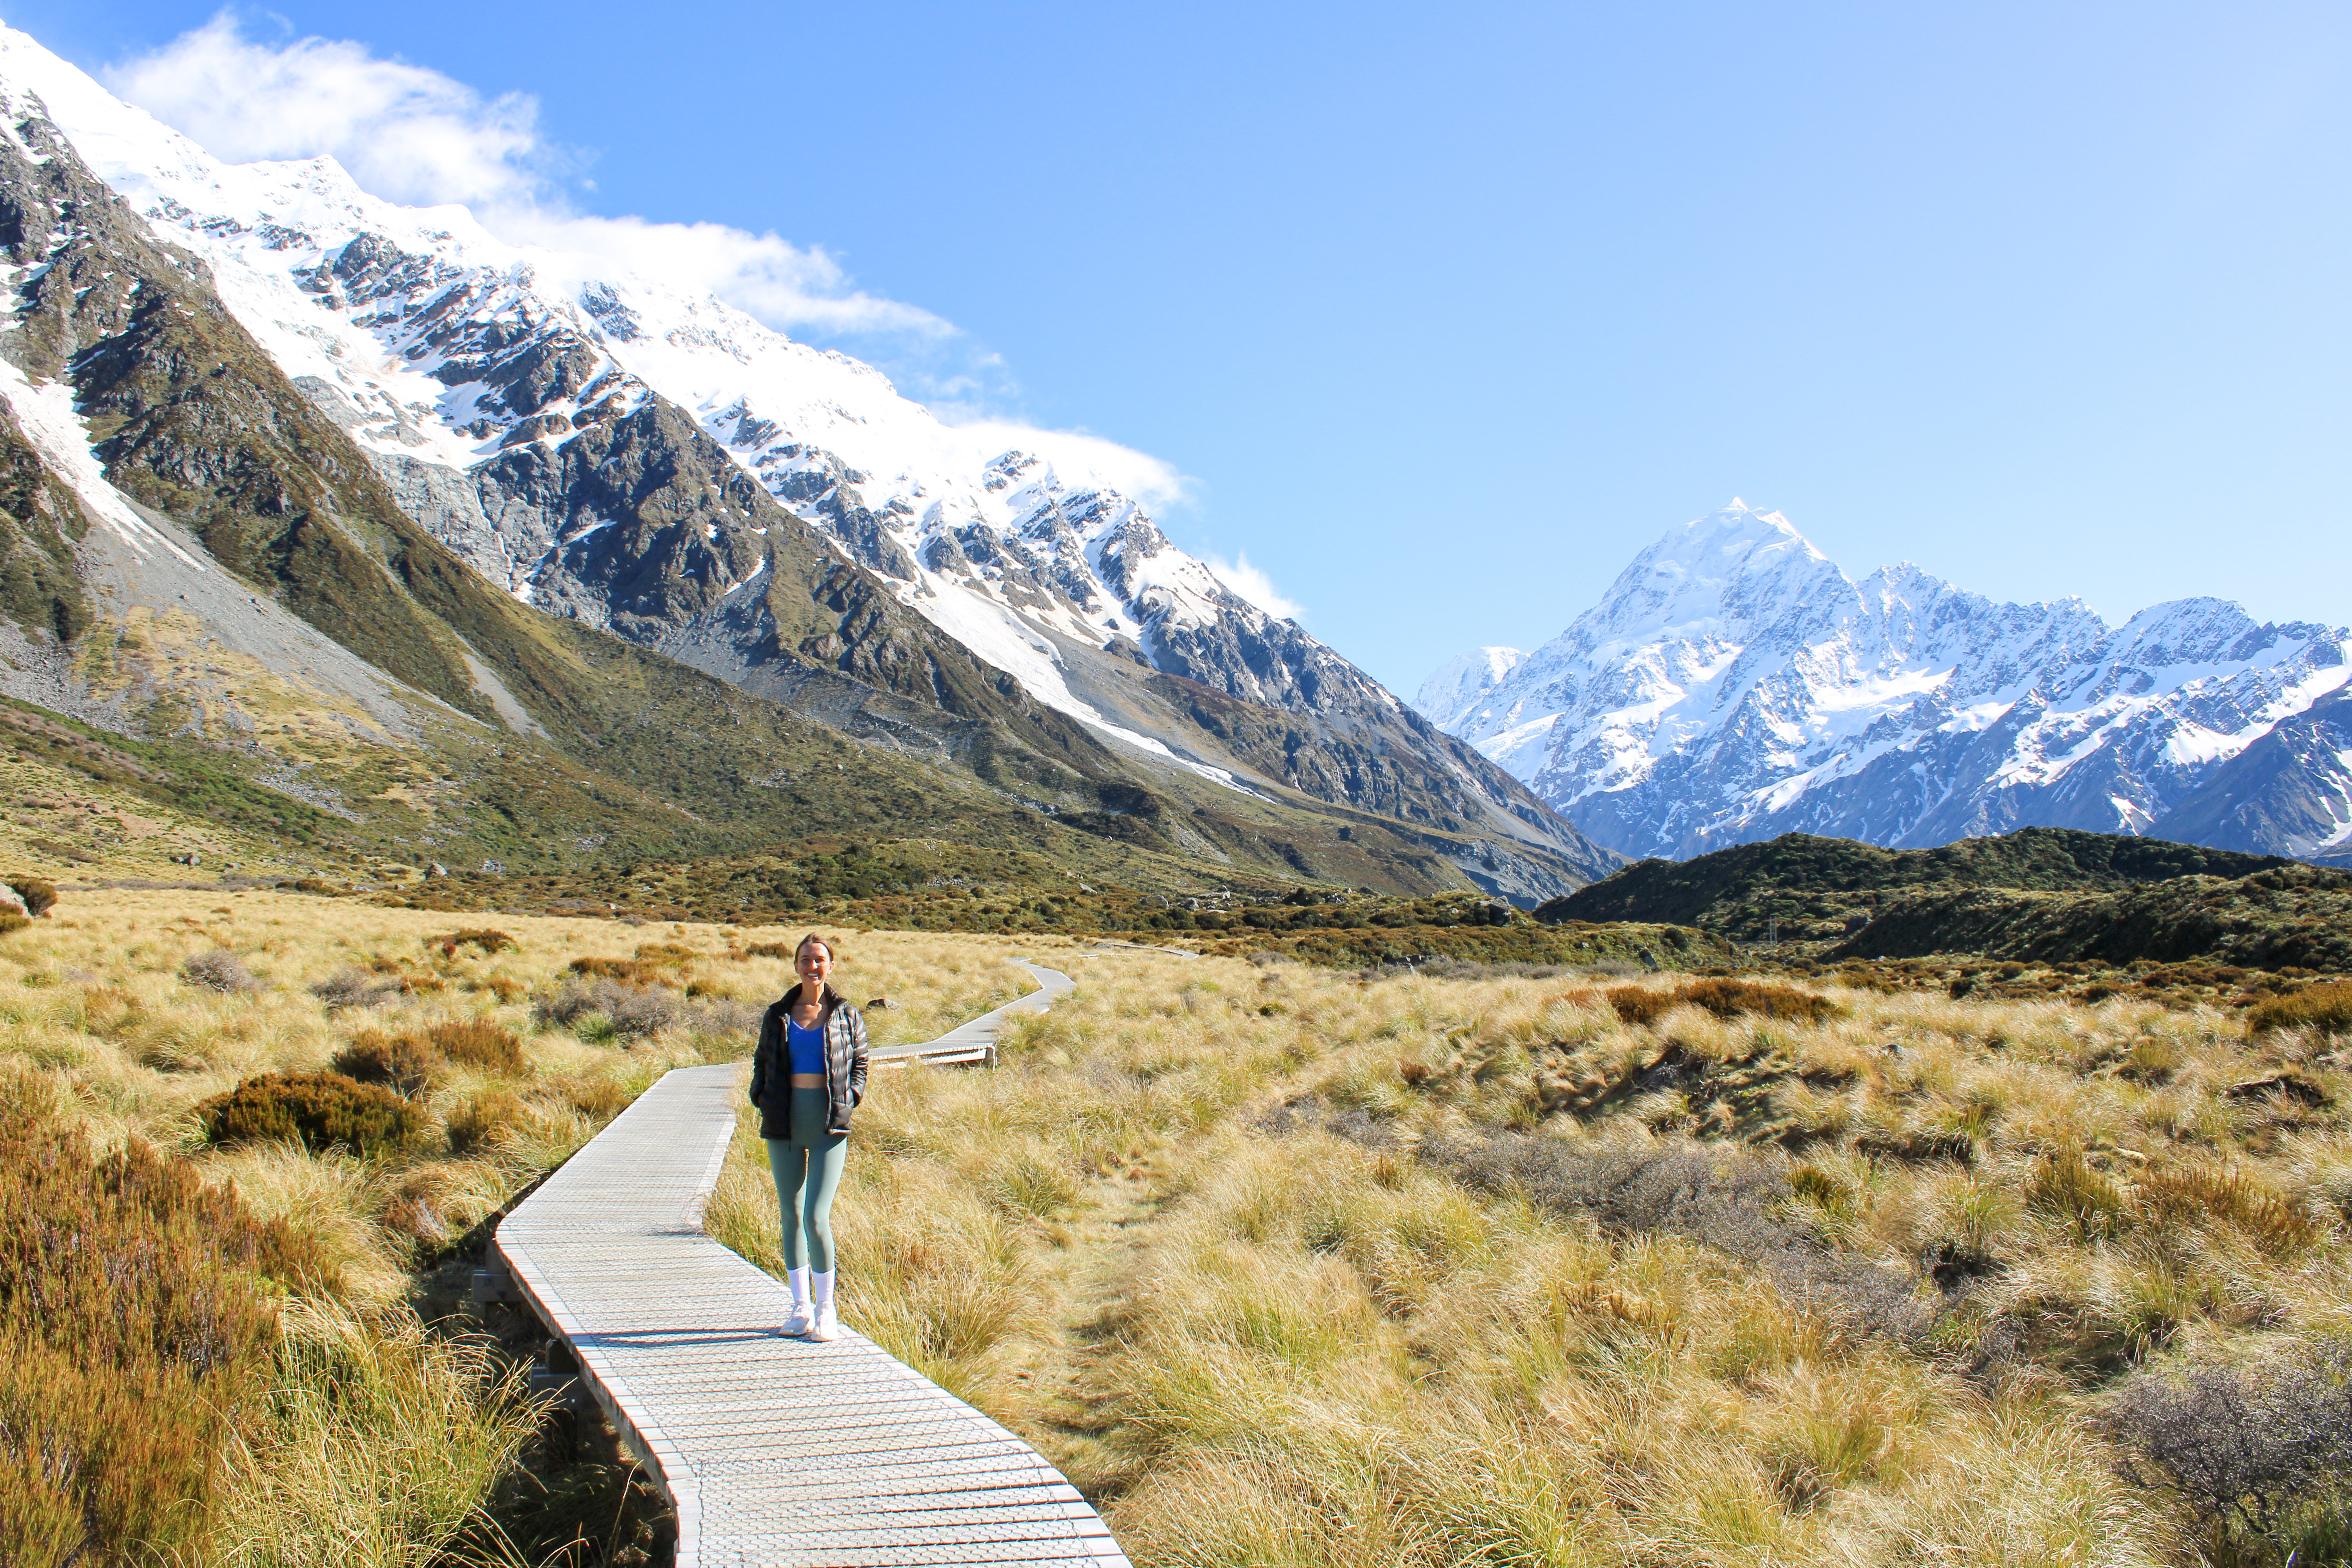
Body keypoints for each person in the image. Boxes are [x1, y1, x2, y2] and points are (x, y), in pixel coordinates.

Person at [747, 933, 869, 1341]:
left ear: (831, 966)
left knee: (817, 1217)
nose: (812, 966)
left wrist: (851, 1097)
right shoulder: (779, 1013)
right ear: (796, 965)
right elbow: (762, 1060)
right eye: (805, 959)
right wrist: (760, 1095)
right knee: (790, 1214)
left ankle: (826, 1309)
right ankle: (799, 1308)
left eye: (819, 959)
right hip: (783, 1120)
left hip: (828, 1123)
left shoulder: (847, 1015)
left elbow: (861, 1063)